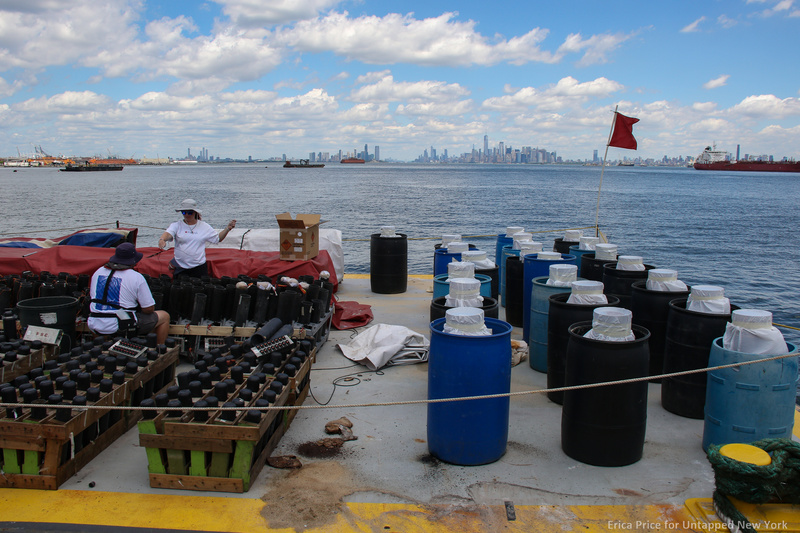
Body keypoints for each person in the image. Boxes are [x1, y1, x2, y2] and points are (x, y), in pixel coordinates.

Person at [88, 242, 170, 344]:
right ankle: (159, 348)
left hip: (94, 322)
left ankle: (100, 344)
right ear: (132, 261)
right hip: (120, 324)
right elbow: (148, 309)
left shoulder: (98, 272)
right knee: (164, 316)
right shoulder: (136, 277)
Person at [158, 199, 236, 279]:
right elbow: (168, 234)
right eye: (184, 212)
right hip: (180, 267)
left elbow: (217, 238)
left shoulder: (204, 226)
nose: (187, 215)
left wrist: (227, 229)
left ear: (195, 212)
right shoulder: (176, 225)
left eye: (189, 213)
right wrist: (162, 239)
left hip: (199, 267)